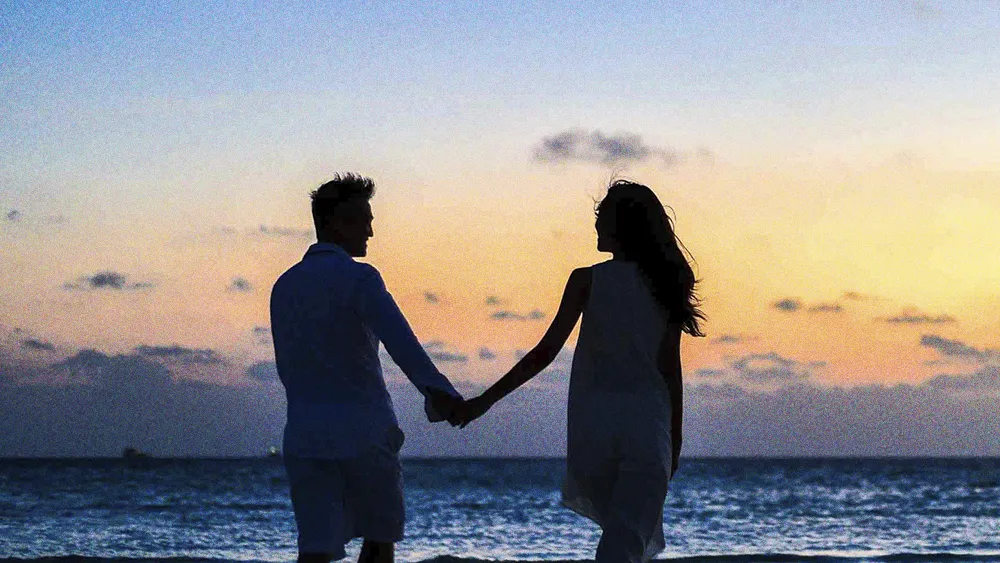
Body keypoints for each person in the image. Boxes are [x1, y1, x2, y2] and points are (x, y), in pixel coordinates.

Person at [458, 179, 704, 563]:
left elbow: (544, 353)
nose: (595, 224)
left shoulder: (587, 280)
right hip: (647, 428)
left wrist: (483, 402)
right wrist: (675, 437)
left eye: (602, 217)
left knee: (619, 544)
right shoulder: (666, 283)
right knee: (623, 546)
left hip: (596, 431)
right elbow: (669, 368)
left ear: (622, 225)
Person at [270, 173, 465, 563]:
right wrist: (442, 394)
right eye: (363, 220)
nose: (371, 231)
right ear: (333, 223)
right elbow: (402, 343)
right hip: (364, 431)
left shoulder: (284, 285)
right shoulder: (361, 278)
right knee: (379, 539)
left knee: (315, 550)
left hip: (305, 435)